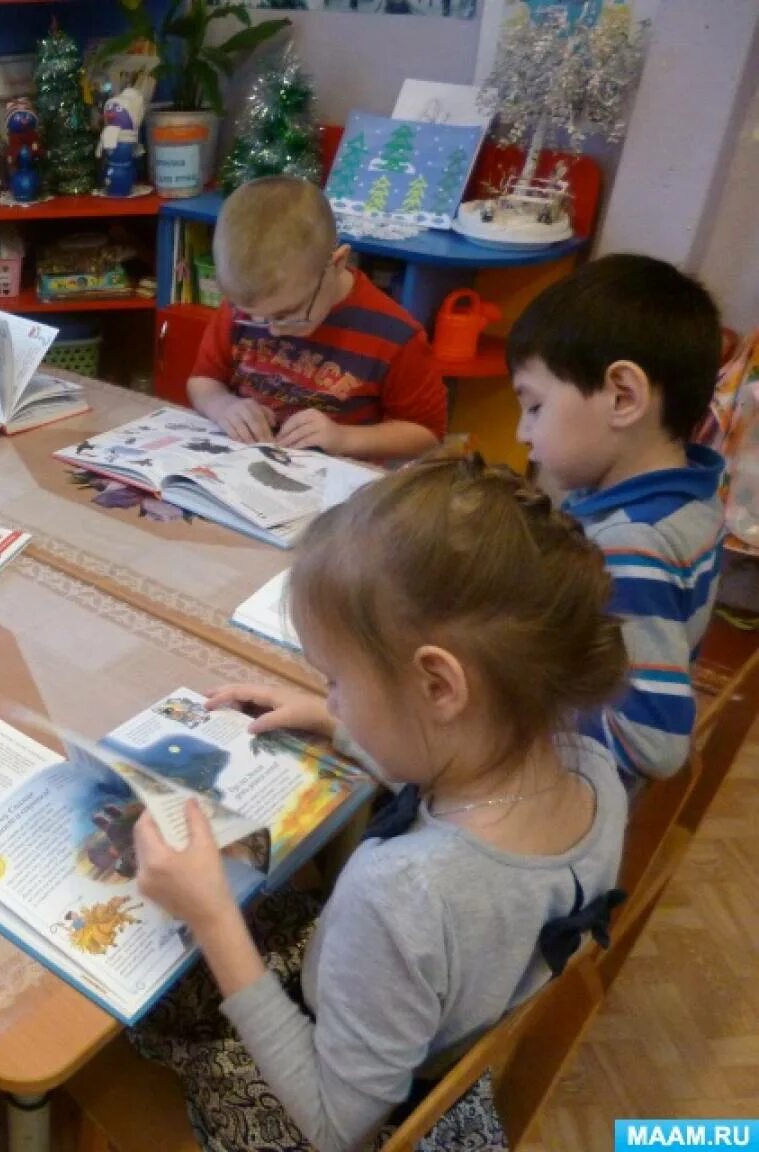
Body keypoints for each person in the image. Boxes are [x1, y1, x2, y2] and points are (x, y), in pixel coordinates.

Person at [131, 453, 630, 1152]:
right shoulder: (590, 772)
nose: (330, 694)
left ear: (438, 687)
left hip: (338, 1117)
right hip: (446, 1044)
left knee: (149, 991)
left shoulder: (399, 892)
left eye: (334, 678)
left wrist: (213, 918)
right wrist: (335, 720)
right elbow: (454, 786)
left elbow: (337, 1128)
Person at [510, 253, 727, 781]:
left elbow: (654, 743)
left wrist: (517, 706)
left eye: (534, 406)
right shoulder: (687, 496)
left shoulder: (631, 543)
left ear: (623, 396)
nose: (522, 433)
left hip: (578, 786)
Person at [187, 176, 447, 459]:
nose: (272, 331)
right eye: (253, 317)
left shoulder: (395, 335)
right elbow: (203, 380)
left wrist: (343, 438)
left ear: (337, 263)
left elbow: (426, 434)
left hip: (338, 487)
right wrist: (222, 405)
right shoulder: (246, 308)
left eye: (287, 314)